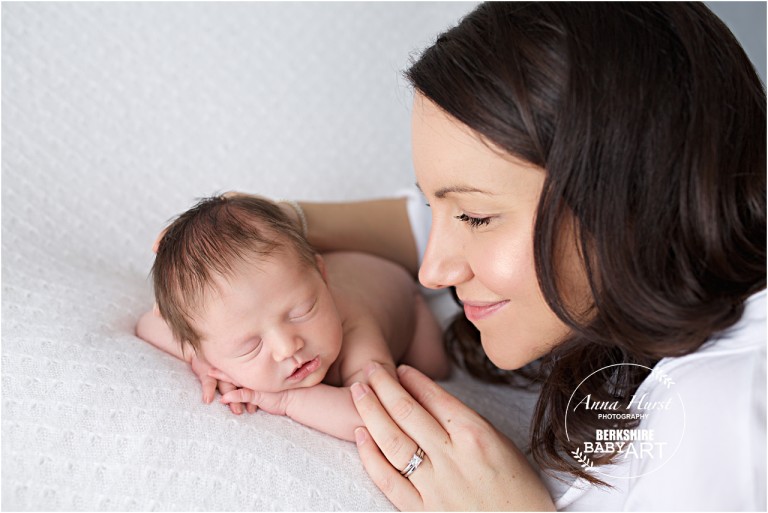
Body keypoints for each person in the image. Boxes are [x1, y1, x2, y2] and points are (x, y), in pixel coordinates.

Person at [218, 3, 764, 510]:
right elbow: (451, 207)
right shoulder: (662, 284)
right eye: (441, 210)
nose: (434, 272)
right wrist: (276, 227)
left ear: (631, 201)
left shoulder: (730, 416)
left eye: (474, 218)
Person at [136, 194, 449, 442]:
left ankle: (427, 305)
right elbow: (148, 325)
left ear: (322, 276)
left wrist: (286, 401)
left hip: (399, 290)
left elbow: (374, 416)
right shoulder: (232, 328)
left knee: (433, 366)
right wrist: (203, 360)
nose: (288, 347)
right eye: (249, 345)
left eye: (301, 311)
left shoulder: (355, 329)